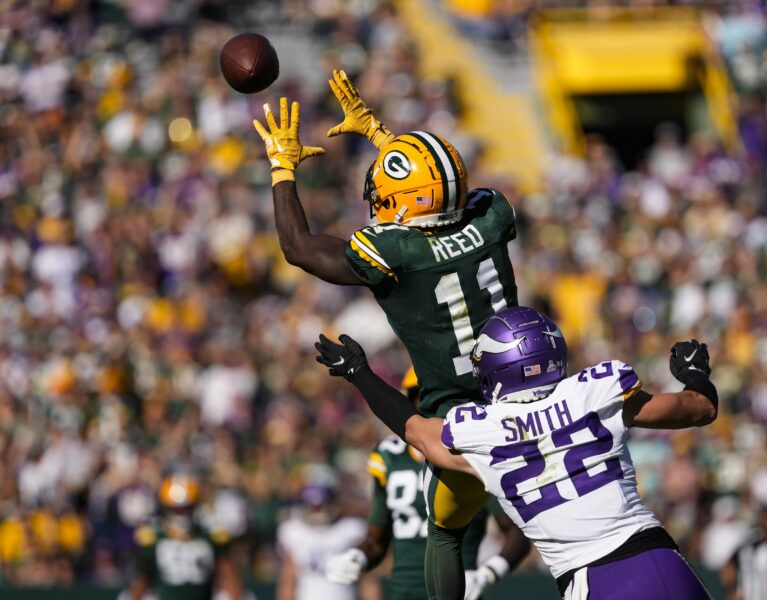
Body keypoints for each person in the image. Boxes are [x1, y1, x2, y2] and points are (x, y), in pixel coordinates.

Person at [253, 69, 520, 599]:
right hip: (524, 394)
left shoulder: (399, 254)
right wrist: (379, 134)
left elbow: (299, 248)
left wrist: (283, 168)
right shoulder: (493, 216)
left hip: (456, 417)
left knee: (443, 534)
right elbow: (436, 184)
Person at [313, 306, 719, 599]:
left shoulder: (481, 431)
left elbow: (415, 430)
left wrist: (359, 373)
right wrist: (695, 374)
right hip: (666, 561)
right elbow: (700, 408)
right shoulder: (594, 392)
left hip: (595, 579)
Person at [324, 369, 531, 600]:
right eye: (423, 396)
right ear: (410, 399)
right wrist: (359, 556)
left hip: (457, 592)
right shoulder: (390, 456)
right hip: (404, 594)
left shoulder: (472, 455)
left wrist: (489, 572)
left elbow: (518, 531)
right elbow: (376, 541)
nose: (432, 405)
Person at [128, 471, 242, 600]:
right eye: (176, 509)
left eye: (186, 508)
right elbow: (142, 580)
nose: (181, 514)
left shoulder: (209, 535)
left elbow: (228, 575)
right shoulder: (154, 538)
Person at [276, 474, 367, 600]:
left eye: (320, 505)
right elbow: (289, 579)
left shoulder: (351, 530)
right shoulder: (294, 532)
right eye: (314, 506)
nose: (318, 511)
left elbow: (367, 580)